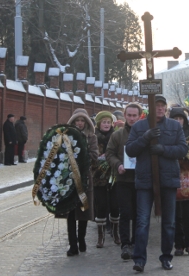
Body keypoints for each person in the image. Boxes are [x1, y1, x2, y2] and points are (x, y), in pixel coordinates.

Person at [126, 95, 188, 272]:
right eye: (156, 105)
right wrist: (145, 138)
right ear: (150, 108)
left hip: (168, 180)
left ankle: (166, 257)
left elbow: (182, 149)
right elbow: (130, 150)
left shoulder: (174, 126)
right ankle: (139, 259)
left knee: (169, 222)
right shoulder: (139, 127)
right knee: (142, 221)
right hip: (145, 181)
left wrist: (164, 150)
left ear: (166, 109)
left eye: (162, 106)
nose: (159, 109)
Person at [106, 102, 143, 260]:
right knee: (125, 212)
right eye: (129, 115)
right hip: (123, 179)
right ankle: (125, 244)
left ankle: (136, 243)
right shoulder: (117, 135)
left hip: (141, 180)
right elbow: (109, 154)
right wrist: (118, 164)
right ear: (125, 115)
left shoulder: (144, 133)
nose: (132, 118)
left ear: (139, 116)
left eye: (135, 115)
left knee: (138, 214)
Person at [65, 108, 99, 256]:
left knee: (83, 210)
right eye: (77, 121)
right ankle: (73, 244)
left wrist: (81, 154)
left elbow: (94, 155)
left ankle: (81, 238)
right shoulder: (65, 136)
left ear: (86, 122)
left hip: (85, 178)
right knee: (71, 213)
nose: (79, 123)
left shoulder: (91, 137)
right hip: (69, 179)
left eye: (82, 121)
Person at [169, 108, 189, 257]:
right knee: (175, 214)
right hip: (172, 177)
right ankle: (179, 245)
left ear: (184, 119)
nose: (178, 121)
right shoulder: (167, 133)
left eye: (180, 118)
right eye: (174, 119)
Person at [91, 111, 119, 248]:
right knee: (100, 205)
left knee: (115, 204)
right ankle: (100, 236)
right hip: (99, 176)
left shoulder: (116, 136)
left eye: (109, 122)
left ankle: (115, 232)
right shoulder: (94, 137)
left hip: (114, 175)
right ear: (99, 124)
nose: (106, 124)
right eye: (104, 122)